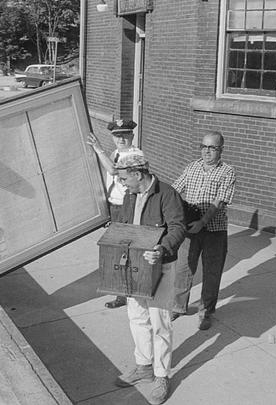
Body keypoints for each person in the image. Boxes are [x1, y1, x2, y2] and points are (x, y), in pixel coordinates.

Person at [113, 153, 186, 405]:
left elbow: (178, 227)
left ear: (137, 174)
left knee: (160, 322)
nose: (123, 184)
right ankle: (143, 366)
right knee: (137, 316)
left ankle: (161, 375)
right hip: (135, 265)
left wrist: (161, 249)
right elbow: (124, 224)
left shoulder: (167, 194)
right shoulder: (128, 195)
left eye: (124, 178)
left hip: (161, 265)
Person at [172, 131, 236, 330]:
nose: (207, 151)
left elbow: (220, 201)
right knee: (183, 268)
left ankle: (206, 311)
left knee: (212, 272)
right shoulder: (192, 166)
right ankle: (178, 306)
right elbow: (175, 189)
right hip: (190, 229)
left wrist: (203, 221)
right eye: (204, 146)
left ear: (221, 150)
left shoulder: (227, 171)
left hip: (214, 230)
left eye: (212, 148)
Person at [87, 118, 142, 309]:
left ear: (132, 136)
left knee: (124, 251)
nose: (121, 139)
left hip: (126, 206)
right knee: (116, 251)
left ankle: (128, 293)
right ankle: (122, 293)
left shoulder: (135, 154)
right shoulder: (116, 152)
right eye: (117, 135)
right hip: (114, 207)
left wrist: (98, 149)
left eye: (125, 135)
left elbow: (113, 169)